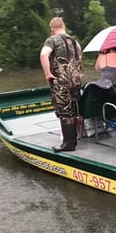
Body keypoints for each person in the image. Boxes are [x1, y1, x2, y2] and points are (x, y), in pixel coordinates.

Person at [40, 17, 84, 152]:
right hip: (76, 80)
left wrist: (48, 73)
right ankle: (74, 140)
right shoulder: (75, 42)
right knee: (74, 109)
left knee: (64, 110)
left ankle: (67, 144)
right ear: (63, 26)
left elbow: (43, 55)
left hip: (61, 80)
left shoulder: (52, 40)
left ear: (52, 29)